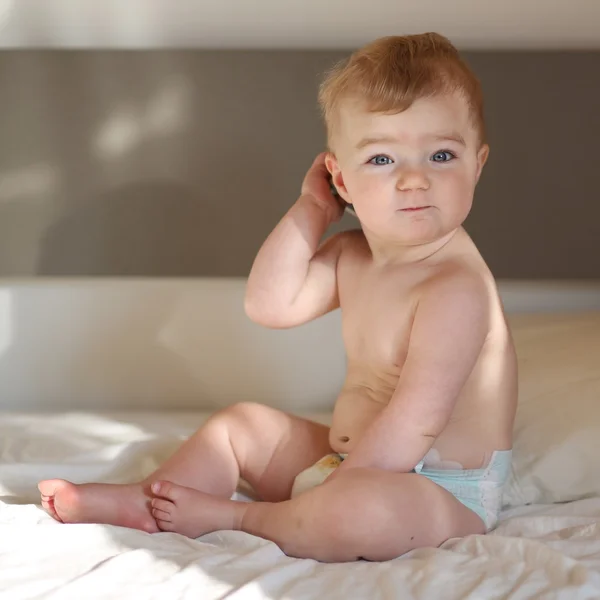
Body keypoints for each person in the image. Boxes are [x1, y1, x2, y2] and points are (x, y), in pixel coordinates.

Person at [38, 32, 518, 563]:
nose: (413, 179)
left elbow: (416, 421)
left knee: (358, 509)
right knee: (239, 424)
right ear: (341, 179)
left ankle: (240, 517)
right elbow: (269, 304)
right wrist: (311, 211)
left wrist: (335, 492)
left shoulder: (456, 287)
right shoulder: (352, 255)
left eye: (441, 154)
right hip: (347, 460)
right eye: (382, 159)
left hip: (440, 490)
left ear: (478, 163)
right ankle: (146, 500)